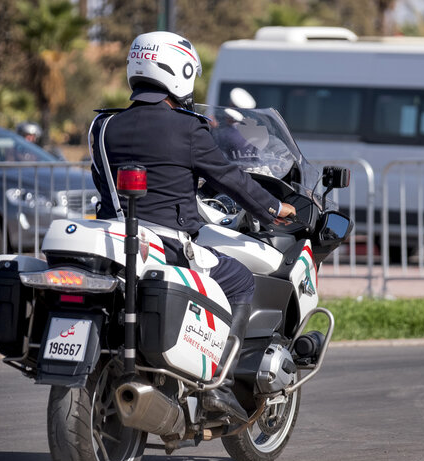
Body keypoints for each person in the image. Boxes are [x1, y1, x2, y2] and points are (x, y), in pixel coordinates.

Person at [90, 31, 296, 422]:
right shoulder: (188, 128)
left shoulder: (102, 126)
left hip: (117, 242)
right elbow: (229, 179)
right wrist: (274, 207)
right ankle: (218, 385)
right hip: (168, 246)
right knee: (238, 279)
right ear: (180, 70)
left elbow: (104, 184)